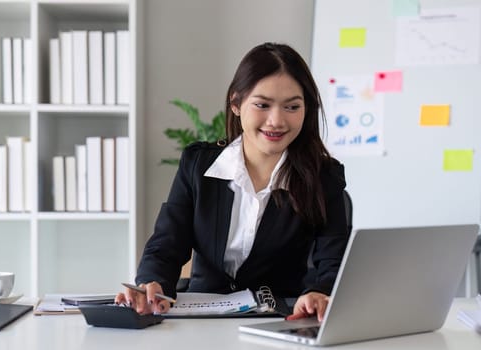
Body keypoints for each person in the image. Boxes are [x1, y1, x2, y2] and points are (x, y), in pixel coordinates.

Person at [115, 42, 349, 322]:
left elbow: (333, 261)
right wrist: (151, 282)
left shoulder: (324, 176)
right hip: (203, 318)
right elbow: (168, 242)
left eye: (292, 107)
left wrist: (321, 292)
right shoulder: (199, 165)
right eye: (262, 105)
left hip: (280, 319)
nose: (276, 121)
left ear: (306, 109)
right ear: (236, 104)